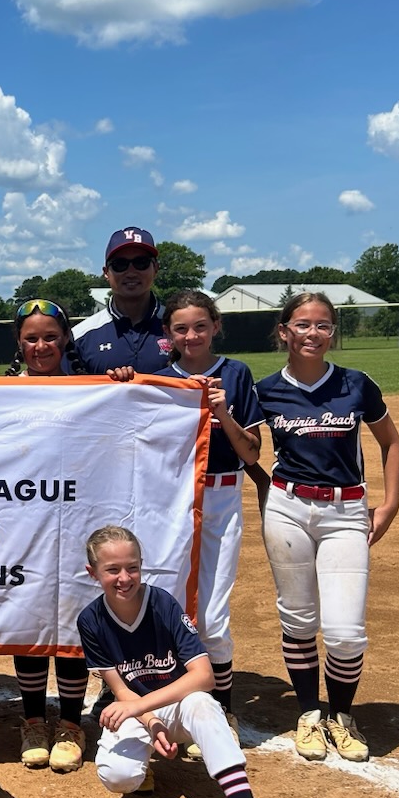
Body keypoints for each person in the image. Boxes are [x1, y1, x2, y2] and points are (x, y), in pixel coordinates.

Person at [78, 526, 279, 798]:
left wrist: (144, 708)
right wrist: (152, 723)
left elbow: (203, 677)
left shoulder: (163, 604)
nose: (125, 578)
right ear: (93, 573)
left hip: (178, 705)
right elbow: (121, 691)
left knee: (202, 705)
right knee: (118, 776)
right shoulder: (91, 620)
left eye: (133, 567)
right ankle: (143, 770)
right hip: (143, 711)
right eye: (112, 570)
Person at [255, 292, 399, 763]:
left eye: (323, 325)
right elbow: (242, 447)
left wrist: (390, 504)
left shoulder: (356, 384)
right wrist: (265, 488)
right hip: (288, 509)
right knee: (298, 618)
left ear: (333, 333)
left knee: (344, 631)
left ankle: (341, 716)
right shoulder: (265, 390)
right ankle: (308, 713)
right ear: (284, 331)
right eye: (302, 324)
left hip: (346, 511)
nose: (313, 333)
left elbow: (391, 442)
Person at [161, 290, 264, 760]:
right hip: (171, 501)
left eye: (200, 326)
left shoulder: (235, 374)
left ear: (215, 326)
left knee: (212, 616)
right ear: (169, 335)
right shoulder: (160, 379)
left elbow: (253, 453)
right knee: (168, 602)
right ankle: (173, 703)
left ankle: (222, 709)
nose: (192, 336)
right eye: (181, 328)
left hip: (221, 496)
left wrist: (221, 410)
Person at [1, 300, 99, 774]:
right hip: (21, 520)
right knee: (29, 615)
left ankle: (71, 722)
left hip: (78, 515)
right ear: (18, 343)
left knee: (73, 615)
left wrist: (125, 384)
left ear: (65, 340)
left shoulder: (91, 389)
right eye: (31, 338)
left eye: (51, 337)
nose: (41, 346)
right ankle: (34, 721)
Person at [73, 226, 171, 375]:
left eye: (141, 263)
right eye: (120, 265)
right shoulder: (81, 336)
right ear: (106, 272)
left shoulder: (181, 329)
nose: (131, 272)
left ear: (156, 268)